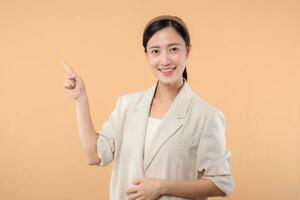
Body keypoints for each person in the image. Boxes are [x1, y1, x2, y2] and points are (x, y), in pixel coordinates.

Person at [63, 15, 234, 200]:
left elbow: (220, 183)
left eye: (174, 49)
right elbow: (94, 156)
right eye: (155, 51)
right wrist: (81, 100)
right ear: (146, 55)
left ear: (188, 51)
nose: (165, 60)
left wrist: (162, 187)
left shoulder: (206, 116)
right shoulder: (127, 106)